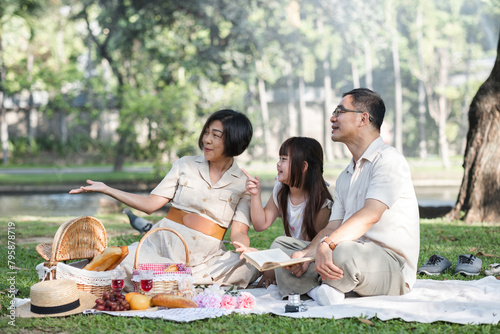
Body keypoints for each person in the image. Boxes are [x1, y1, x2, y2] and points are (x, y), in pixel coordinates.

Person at [69, 109, 260, 289]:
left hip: (206, 260)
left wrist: (243, 248)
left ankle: (175, 280)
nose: (207, 140)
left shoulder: (244, 184)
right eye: (206, 132)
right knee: (126, 261)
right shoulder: (185, 164)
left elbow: (239, 232)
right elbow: (150, 204)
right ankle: (175, 280)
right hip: (162, 249)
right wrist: (108, 189)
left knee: (254, 264)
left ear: (234, 140)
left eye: (216, 135)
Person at [272, 88, 420, 305]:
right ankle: (323, 291)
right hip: (344, 252)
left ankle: (318, 286)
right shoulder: (345, 176)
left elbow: (370, 214)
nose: (333, 117)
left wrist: (327, 245)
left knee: (342, 251)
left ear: (363, 118)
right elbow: (332, 227)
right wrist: (308, 253)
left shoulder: (389, 160)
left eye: (340, 112)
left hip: (389, 265)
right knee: (282, 248)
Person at [237, 137, 333, 287]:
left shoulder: (321, 203)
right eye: (279, 158)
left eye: (284, 159)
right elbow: (261, 224)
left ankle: (298, 282)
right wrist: (255, 194)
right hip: (287, 253)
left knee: (278, 246)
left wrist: (273, 265)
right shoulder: (281, 190)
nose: (278, 164)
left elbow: (309, 249)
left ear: (303, 167)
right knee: (247, 264)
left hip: (306, 257)